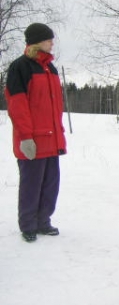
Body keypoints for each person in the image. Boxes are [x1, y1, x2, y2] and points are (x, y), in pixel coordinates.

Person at [5, 23, 67, 243]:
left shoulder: (50, 69)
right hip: (33, 140)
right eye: (49, 39)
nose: (52, 42)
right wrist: (25, 137)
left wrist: (60, 133)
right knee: (31, 185)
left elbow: (54, 106)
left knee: (50, 184)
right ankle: (29, 225)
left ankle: (43, 222)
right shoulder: (20, 67)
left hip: (52, 139)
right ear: (37, 41)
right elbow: (17, 105)